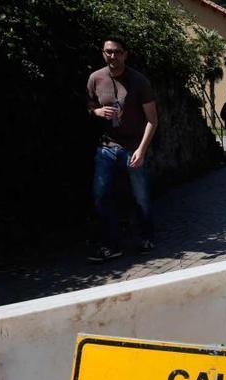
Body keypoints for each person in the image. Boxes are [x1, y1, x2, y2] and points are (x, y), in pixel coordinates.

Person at [86, 36, 158, 262]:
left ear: (125, 54)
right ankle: (111, 244)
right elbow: (89, 105)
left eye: (117, 52)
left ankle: (146, 236)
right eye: (108, 52)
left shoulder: (139, 82)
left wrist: (142, 150)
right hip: (106, 147)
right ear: (102, 53)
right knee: (101, 196)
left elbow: (152, 120)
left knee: (141, 197)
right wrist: (96, 112)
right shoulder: (95, 78)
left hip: (132, 147)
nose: (112, 56)